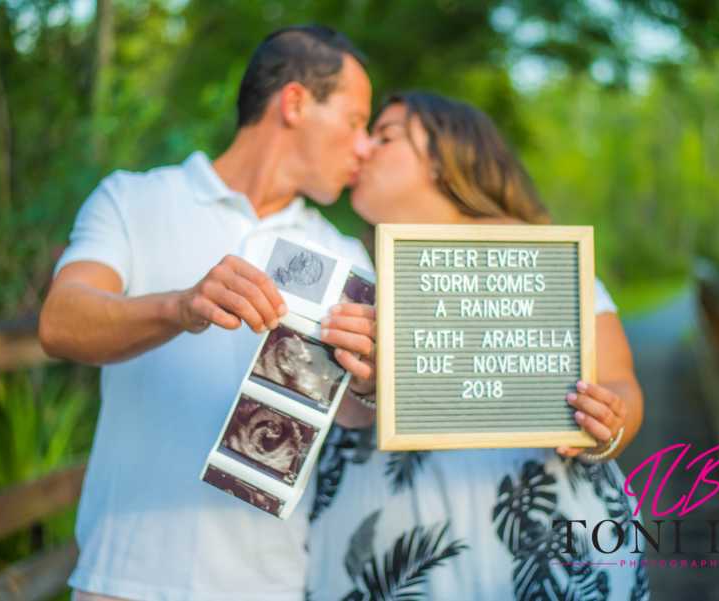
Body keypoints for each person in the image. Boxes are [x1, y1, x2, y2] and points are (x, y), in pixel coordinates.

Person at [39, 25, 378, 601]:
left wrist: (372, 379)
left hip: (269, 587)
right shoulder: (133, 199)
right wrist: (180, 306)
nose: (365, 146)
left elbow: (352, 415)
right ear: (294, 103)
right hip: (121, 579)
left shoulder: (347, 257)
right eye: (355, 121)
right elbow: (61, 323)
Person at [308, 92, 649, 600]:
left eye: (387, 134)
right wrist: (371, 384)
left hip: (541, 549)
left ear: (449, 157)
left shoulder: (546, 263)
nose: (363, 147)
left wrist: (606, 426)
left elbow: (623, 388)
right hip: (395, 565)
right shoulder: (348, 274)